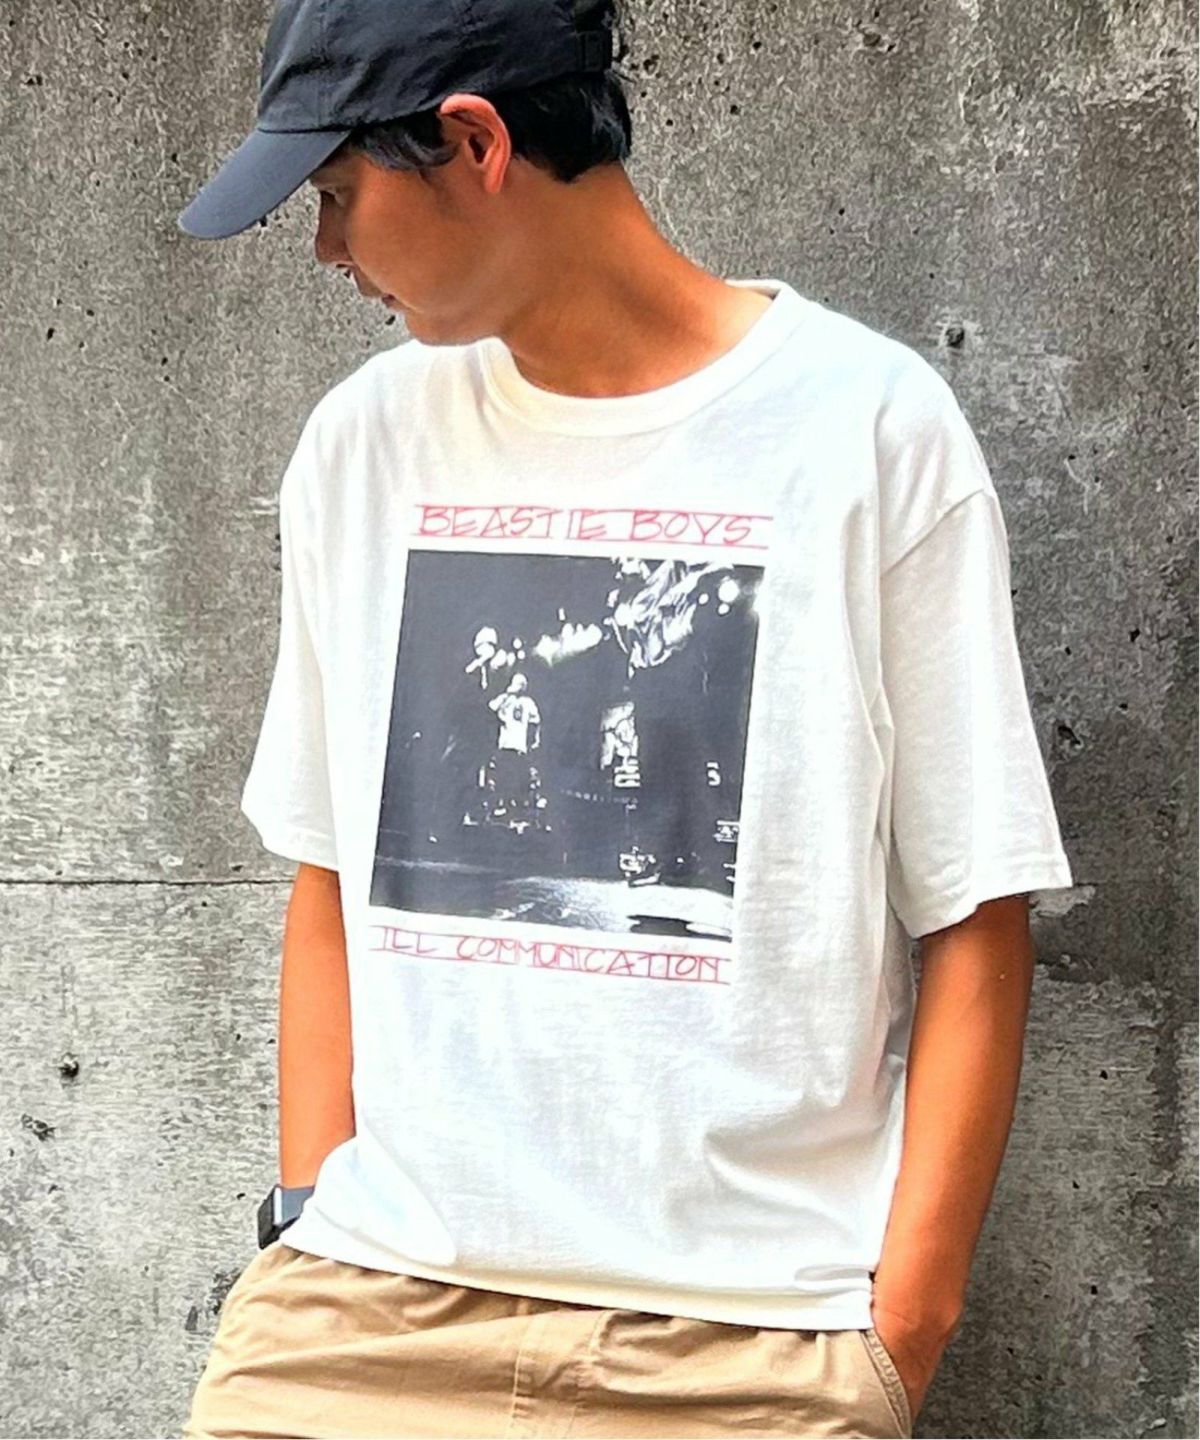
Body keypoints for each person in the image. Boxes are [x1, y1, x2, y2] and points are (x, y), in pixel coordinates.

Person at [178, 2, 1074, 1436]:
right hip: (362, 1319)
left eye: (337, 193)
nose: (326, 249)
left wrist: (899, 1331)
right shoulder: (360, 447)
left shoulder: (865, 432)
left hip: (746, 1344)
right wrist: (306, 1214)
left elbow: (976, 908)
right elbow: (328, 874)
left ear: (474, 143)